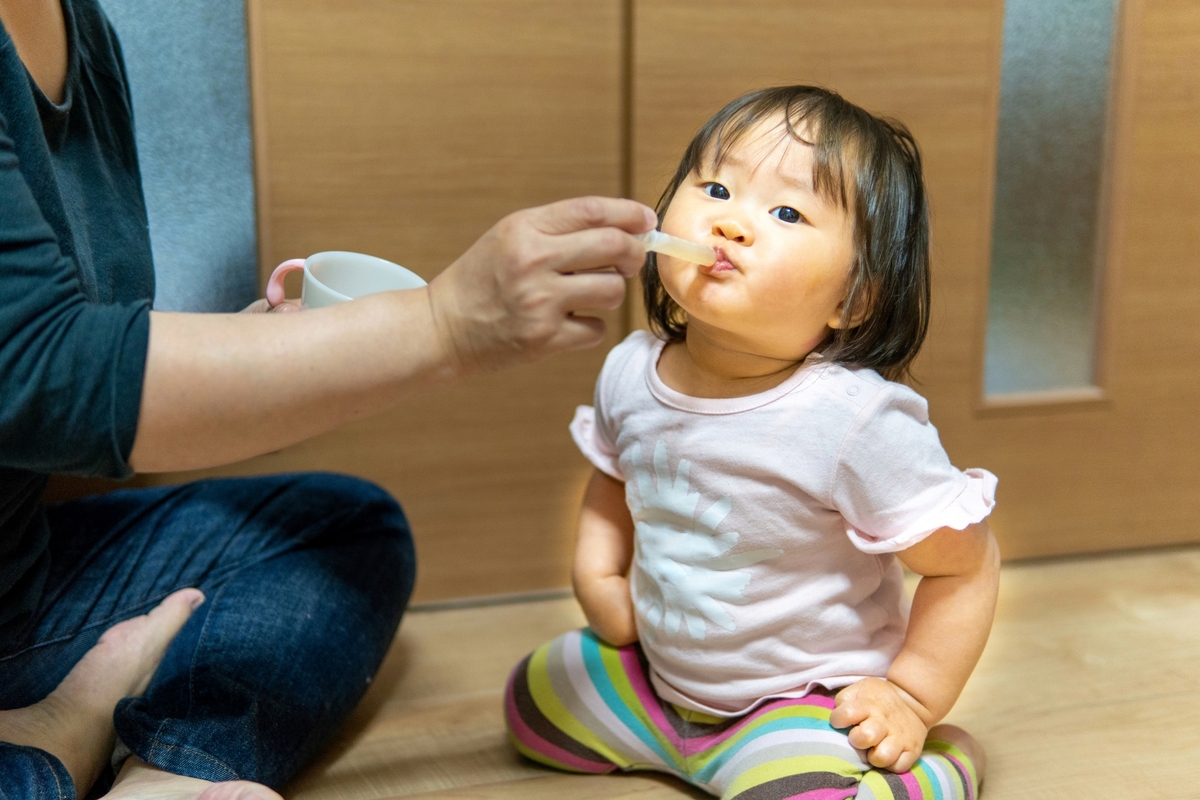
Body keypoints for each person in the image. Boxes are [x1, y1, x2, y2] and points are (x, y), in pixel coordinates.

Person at [0, 0, 657, 798]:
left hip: (20, 580)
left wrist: (262, 353)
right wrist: (443, 324)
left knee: (344, 526)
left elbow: (63, 367)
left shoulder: (82, 30)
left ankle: (166, 774)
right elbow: (41, 371)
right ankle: (61, 738)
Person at [504, 86, 1002, 800]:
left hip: (804, 698)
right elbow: (615, 477)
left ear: (853, 300)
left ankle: (937, 765)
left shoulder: (853, 421)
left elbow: (966, 565)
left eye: (787, 212)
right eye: (716, 188)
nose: (731, 223)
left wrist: (913, 697)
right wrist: (599, 575)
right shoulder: (630, 371)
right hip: (662, 676)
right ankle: (684, 740)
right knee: (532, 706)